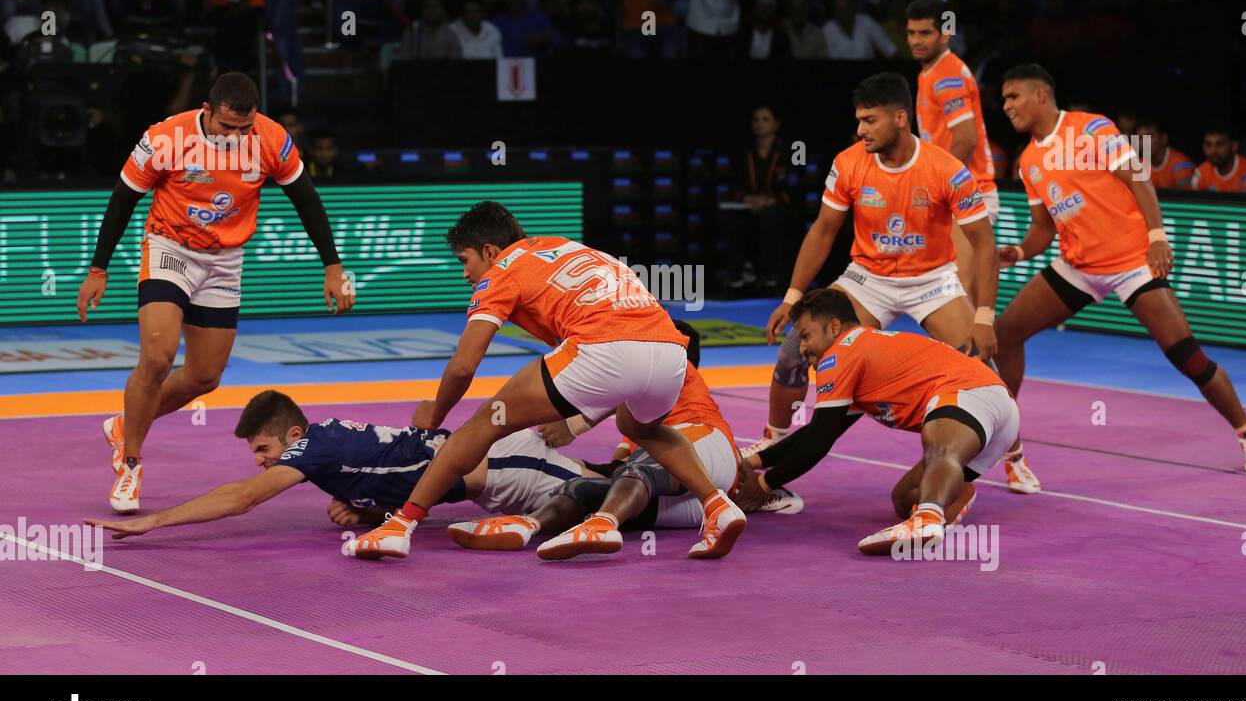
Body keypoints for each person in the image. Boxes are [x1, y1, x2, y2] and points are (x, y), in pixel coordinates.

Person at [342, 201, 747, 561]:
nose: (466, 274)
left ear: (489, 251)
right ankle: (717, 505)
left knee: (485, 422)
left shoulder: (501, 270)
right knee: (638, 427)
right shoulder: (568, 247)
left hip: (606, 346)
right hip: (670, 351)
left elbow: (464, 366)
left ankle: (399, 527)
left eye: (465, 261)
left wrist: (436, 411)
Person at [76, 73, 355, 514]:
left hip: (225, 259)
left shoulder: (270, 138)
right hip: (170, 248)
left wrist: (333, 266)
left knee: (205, 376)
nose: (236, 136)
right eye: (228, 127)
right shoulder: (166, 137)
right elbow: (123, 199)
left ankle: (126, 423)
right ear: (208, 111)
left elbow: (306, 199)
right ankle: (130, 461)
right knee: (157, 356)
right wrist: (98, 269)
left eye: (244, 128)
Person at [995, 63, 1246, 474]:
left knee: (1187, 357)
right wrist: (1018, 251)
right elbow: (1042, 228)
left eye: (1013, 96)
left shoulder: (1090, 129)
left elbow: (1138, 176)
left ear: (1041, 95)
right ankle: (1011, 451)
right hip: (1078, 265)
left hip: (1130, 261)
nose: (1006, 106)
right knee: (1004, 336)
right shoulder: (1028, 160)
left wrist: (1157, 236)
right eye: (1003, 99)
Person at [747, 74, 1004, 476]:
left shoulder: (947, 169)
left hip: (932, 280)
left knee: (982, 365)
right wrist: (793, 297)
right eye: (859, 120)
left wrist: (984, 316)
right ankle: (777, 436)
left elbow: (984, 242)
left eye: (870, 120)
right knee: (797, 347)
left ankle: (1010, 457)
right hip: (867, 280)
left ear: (900, 118)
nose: (860, 129)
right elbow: (824, 230)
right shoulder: (848, 162)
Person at [450, 322, 801, 557]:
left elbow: (610, 391)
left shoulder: (678, 369)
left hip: (707, 449)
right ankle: (529, 525)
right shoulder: (637, 415)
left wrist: (574, 426)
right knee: (583, 489)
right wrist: (581, 467)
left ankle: (603, 524)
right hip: (685, 500)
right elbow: (616, 467)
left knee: (640, 469)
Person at [84, 390, 596, 541]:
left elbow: (242, 498)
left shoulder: (315, 449)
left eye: (264, 451)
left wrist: (155, 521)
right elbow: (406, 483)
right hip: (489, 484)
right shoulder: (329, 452)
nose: (262, 464)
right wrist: (369, 514)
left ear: (293, 436)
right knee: (613, 493)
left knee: (630, 500)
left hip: (508, 467)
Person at [734, 289, 1013, 555]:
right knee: (904, 499)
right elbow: (817, 432)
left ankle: (926, 519)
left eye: (806, 335)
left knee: (939, 448)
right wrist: (755, 462)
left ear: (833, 328)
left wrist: (763, 486)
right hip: (998, 416)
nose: (803, 347)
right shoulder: (865, 350)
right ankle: (951, 496)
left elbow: (818, 442)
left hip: (970, 395)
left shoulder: (841, 353)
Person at [906, 0, 1000, 304]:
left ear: (945, 34)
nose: (916, 41)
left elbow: (965, 138)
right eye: (911, 33)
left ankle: (974, 354)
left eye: (925, 33)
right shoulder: (928, 73)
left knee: (960, 296)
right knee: (962, 296)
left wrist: (934, 183)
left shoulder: (947, 74)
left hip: (970, 193)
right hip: (952, 195)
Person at [719, 104, 790, 293]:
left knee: (769, 218)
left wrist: (771, 200)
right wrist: (747, 198)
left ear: (776, 124)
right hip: (747, 205)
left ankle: (769, 274)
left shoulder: (792, 150)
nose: (760, 124)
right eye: (756, 119)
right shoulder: (743, 151)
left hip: (776, 205)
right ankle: (740, 272)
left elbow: (797, 184)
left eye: (765, 119)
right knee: (730, 219)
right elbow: (733, 184)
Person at [1190, 125, 1246, 192]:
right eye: (1208, 145)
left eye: (1219, 144)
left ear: (1233, 146)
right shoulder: (1200, 172)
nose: (1213, 151)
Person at [1136, 116, 1194, 189]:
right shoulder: (1138, 165)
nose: (1144, 142)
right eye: (1140, 138)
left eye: (1149, 136)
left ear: (1163, 139)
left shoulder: (1181, 163)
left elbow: (1185, 198)